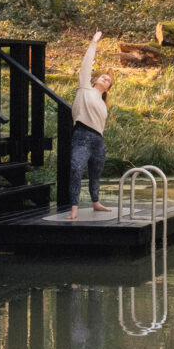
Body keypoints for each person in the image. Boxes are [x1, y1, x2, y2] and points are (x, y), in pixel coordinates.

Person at [68, 30, 115, 220]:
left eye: (108, 80)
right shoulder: (84, 89)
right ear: (96, 80)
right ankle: (74, 208)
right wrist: (94, 42)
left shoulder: (103, 104)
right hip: (81, 135)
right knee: (76, 168)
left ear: (108, 88)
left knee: (96, 173)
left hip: (98, 140)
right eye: (103, 76)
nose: (105, 78)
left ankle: (96, 202)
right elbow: (86, 65)